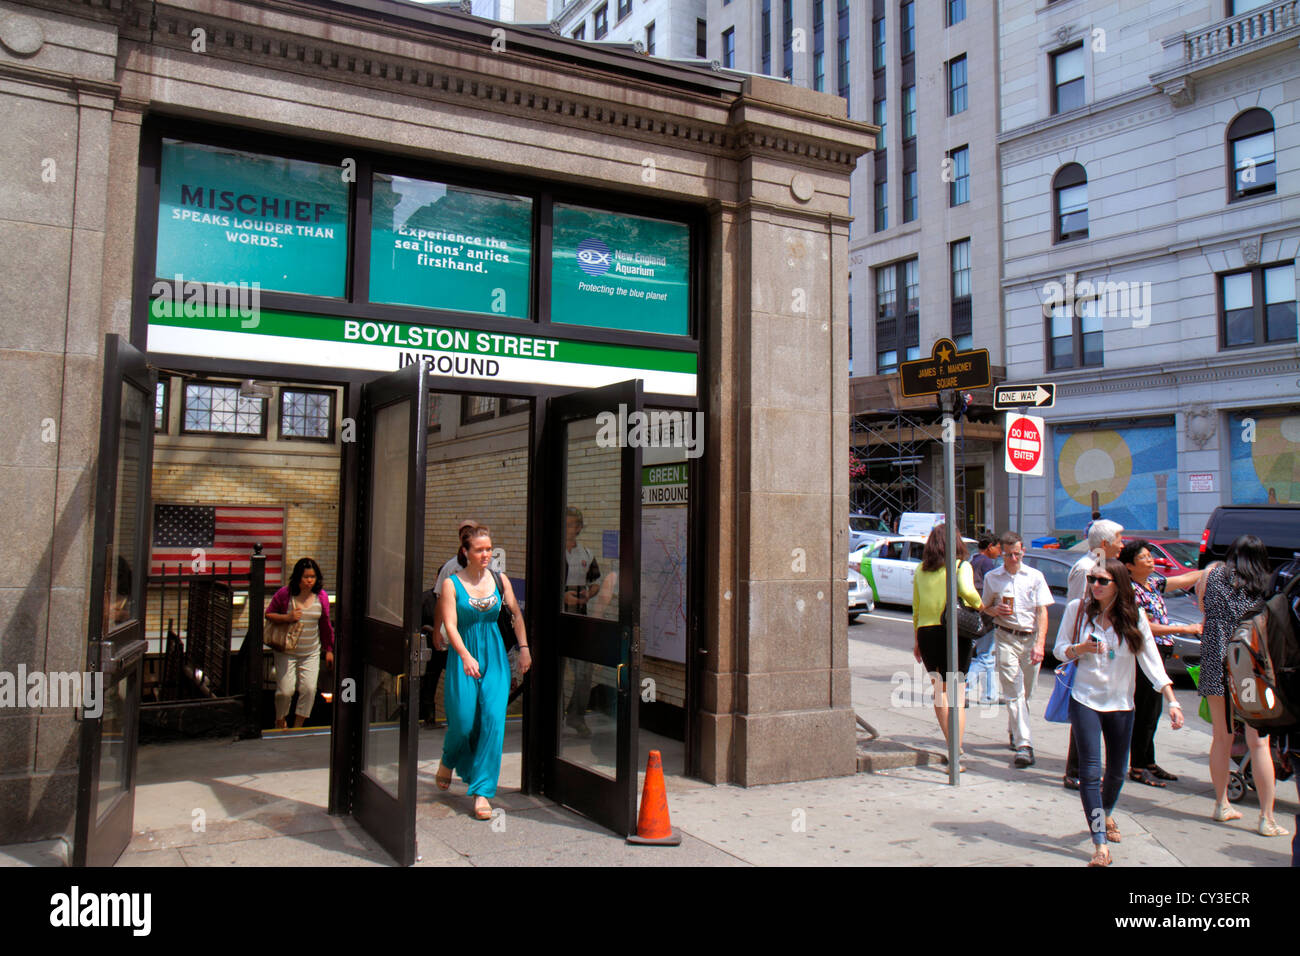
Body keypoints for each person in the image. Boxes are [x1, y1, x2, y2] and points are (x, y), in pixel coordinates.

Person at [1055, 558, 1184, 866]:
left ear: (1118, 584)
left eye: (1102, 581)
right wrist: (1080, 649)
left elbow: (1152, 661)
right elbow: (1060, 650)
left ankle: (1106, 812)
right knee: (1089, 773)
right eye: (1092, 579)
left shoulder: (1134, 617)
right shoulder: (1077, 610)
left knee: (1115, 772)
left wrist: (1173, 700)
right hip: (1085, 699)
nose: (1095, 586)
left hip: (1121, 704)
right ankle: (1100, 844)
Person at [434, 526, 530, 820]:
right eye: (479, 549)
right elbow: (450, 625)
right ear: (466, 552)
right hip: (464, 655)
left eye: (489, 548)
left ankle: (482, 792)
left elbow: (514, 613)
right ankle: (449, 759)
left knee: (492, 721)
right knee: (463, 722)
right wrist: (464, 655)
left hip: (495, 657)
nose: (486, 554)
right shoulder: (452, 583)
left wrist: (524, 647)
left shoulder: (500, 580)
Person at [1200, 534, 1289, 837]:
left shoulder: (1213, 577)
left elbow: (1206, 612)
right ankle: (1266, 817)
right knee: (1259, 742)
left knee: (1221, 737)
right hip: (1249, 667)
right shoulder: (1265, 584)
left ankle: (1221, 803)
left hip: (1215, 661)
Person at [1121, 539, 1204, 787]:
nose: (1150, 560)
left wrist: (1209, 571)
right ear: (1129, 566)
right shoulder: (1131, 591)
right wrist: (1184, 628)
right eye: (1143, 557)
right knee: (1145, 710)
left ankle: (1149, 762)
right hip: (1146, 652)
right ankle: (1137, 766)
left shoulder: (1153, 581)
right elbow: (1146, 627)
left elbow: (1183, 579)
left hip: (1162, 651)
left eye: (1149, 555)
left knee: (1153, 711)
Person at [911, 525, 984, 767]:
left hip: (926, 633)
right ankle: (956, 750)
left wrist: (916, 641)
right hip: (952, 632)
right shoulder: (961, 566)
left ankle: (952, 745)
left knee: (939, 692)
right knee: (957, 694)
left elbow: (916, 608)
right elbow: (967, 591)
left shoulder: (921, 570)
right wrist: (981, 605)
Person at [1061, 519, 1125, 789]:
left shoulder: (1107, 568)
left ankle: (1089, 769)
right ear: (1104, 544)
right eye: (1119, 539)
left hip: (1104, 654)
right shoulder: (1084, 569)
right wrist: (1079, 649)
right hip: (1086, 653)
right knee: (1084, 713)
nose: (1123, 545)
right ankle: (1076, 771)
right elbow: (1077, 612)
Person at [982, 531, 1053, 768]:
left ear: (1022, 551)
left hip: (1030, 639)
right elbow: (986, 606)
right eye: (1009, 554)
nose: (1014, 558)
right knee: (1013, 691)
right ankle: (1025, 744)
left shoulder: (1035, 576)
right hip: (1005, 637)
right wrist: (995, 611)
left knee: (1027, 692)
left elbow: (1042, 612)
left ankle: (1015, 728)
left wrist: (1040, 644)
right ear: (1001, 553)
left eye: (1018, 553)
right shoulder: (993, 578)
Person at [418, 519, 480, 726]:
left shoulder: (486, 568)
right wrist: (439, 629)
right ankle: (429, 715)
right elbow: (440, 599)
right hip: (451, 629)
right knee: (439, 672)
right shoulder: (450, 567)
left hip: (474, 631)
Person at [265, 557, 335, 729]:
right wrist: (287, 617)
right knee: (285, 691)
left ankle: (297, 726)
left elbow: (326, 625)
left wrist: (329, 649)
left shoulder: (322, 597)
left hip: (310, 652)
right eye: (306, 577)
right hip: (286, 651)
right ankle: (280, 721)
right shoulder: (285, 594)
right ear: (298, 577)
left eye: (313, 576)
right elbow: (269, 614)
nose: (309, 580)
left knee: (309, 689)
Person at [563, 507, 602, 736]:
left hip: (580, 614)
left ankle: (576, 716)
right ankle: (554, 716)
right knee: (556, 670)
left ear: (579, 528)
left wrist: (590, 593)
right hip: (559, 613)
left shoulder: (586, 554)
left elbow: (597, 580)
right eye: (565, 524)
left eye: (573, 525)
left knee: (584, 671)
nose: (569, 529)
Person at [966, 533, 1002, 705]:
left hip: (975, 613)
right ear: (990, 547)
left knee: (985, 655)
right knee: (985, 655)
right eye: (998, 548)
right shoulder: (987, 563)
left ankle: (990, 695)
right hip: (986, 613)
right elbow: (994, 587)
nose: (999, 552)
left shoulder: (973, 561)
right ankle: (962, 688)